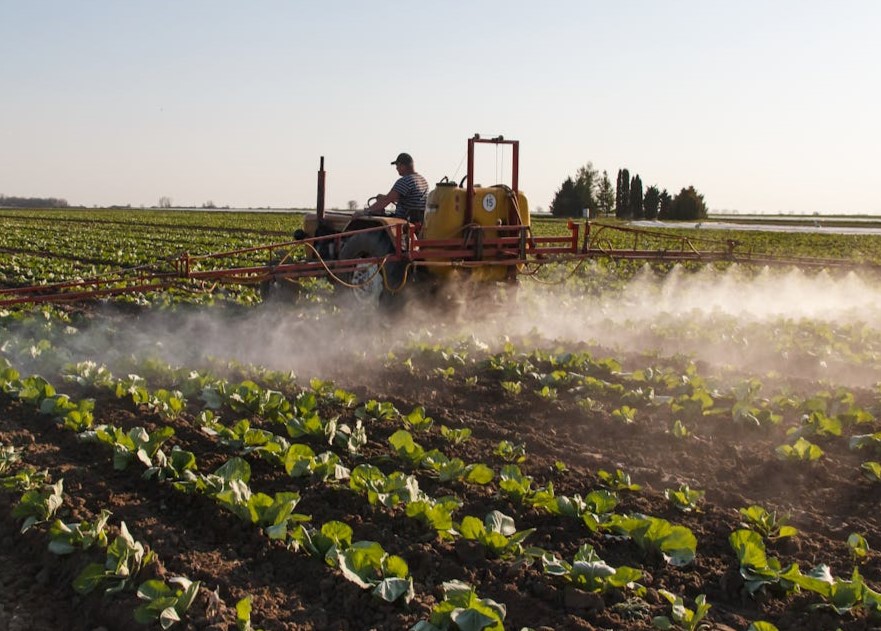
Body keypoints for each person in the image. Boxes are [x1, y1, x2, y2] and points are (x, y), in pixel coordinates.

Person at [365, 152, 428, 222]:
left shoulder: (405, 181)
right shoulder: (423, 180)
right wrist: (385, 198)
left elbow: (386, 200)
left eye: (397, 165)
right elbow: (412, 200)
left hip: (402, 221)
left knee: (371, 221)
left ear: (402, 166)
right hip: (418, 221)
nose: (396, 168)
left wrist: (366, 211)